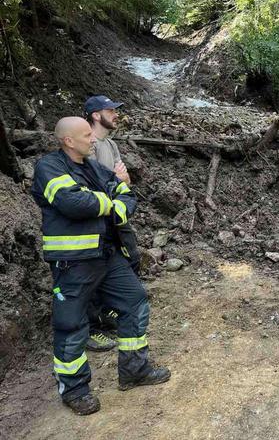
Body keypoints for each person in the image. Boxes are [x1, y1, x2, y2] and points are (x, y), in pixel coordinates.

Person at [31, 117, 170, 415]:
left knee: (134, 302)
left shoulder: (92, 167)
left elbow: (126, 196)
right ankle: (75, 390)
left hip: (108, 255)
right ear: (68, 140)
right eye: (86, 136)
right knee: (71, 325)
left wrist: (108, 200)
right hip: (73, 263)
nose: (93, 140)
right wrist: (110, 200)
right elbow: (73, 204)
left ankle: (134, 370)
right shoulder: (49, 167)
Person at [84, 95, 140, 353]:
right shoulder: (89, 145)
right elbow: (94, 181)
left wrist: (119, 182)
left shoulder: (112, 145)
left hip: (116, 216)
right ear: (96, 115)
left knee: (130, 257)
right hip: (96, 220)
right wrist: (117, 181)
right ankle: (93, 327)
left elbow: (123, 180)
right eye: (111, 110)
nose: (116, 114)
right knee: (93, 272)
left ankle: (110, 311)